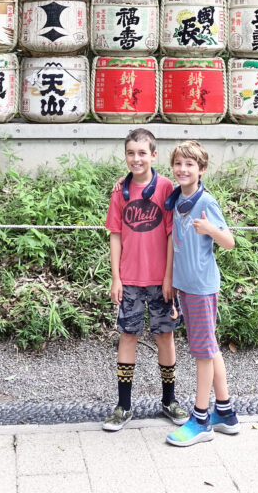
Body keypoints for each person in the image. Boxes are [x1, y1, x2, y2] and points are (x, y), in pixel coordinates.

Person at [102, 127, 190, 432]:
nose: (136, 159)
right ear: (125, 155)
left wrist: (169, 277)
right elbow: (115, 234)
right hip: (129, 278)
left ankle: (169, 400)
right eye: (130, 153)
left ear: (153, 155)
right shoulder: (120, 191)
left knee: (165, 336)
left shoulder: (166, 187)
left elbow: (171, 234)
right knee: (128, 335)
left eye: (142, 153)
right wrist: (116, 278)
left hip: (160, 280)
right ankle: (124, 405)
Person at [165, 139, 240, 447]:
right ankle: (225, 413)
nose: (183, 169)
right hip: (186, 285)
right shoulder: (176, 198)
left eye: (190, 164)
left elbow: (229, 242)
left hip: (201, 288)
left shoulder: (205, 202)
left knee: (202, 352)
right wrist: (169, 279)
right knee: (210, 347)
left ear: (202, 169)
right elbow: (172, 242)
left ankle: (201, 420)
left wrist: (210, 230)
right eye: (179, 163)